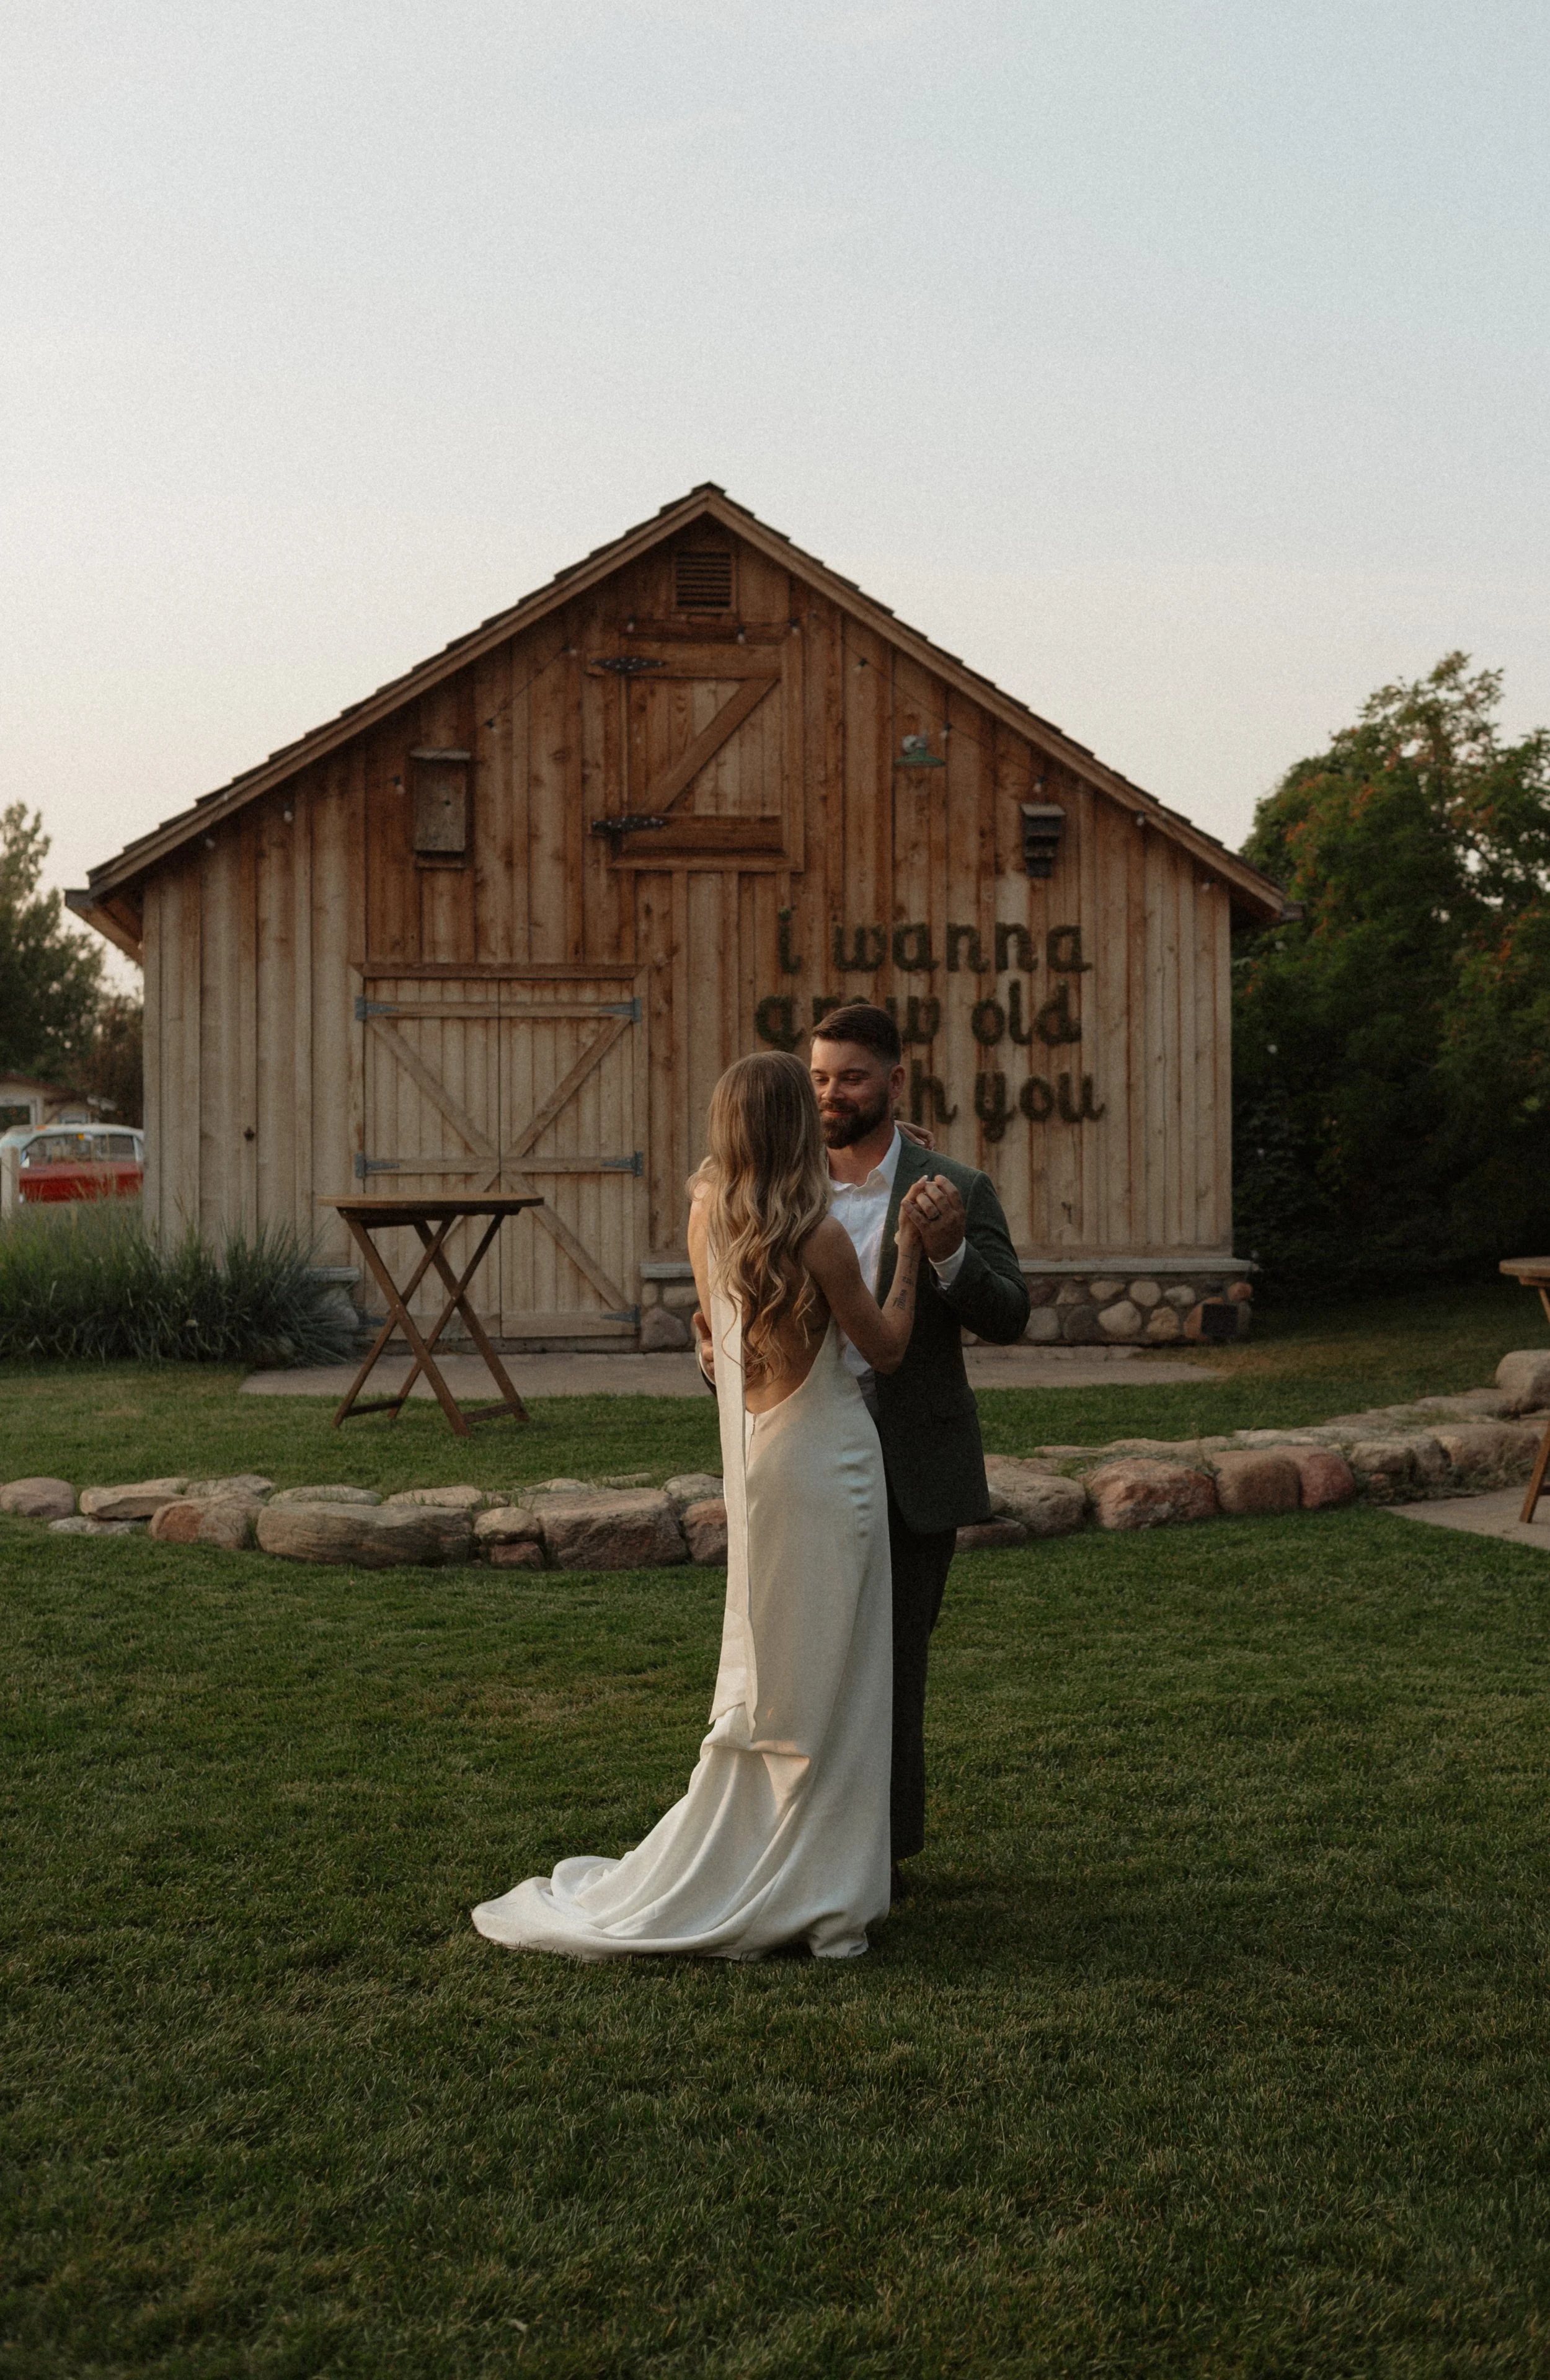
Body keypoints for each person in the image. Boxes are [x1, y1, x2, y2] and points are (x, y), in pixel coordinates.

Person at [472, 1050, 924, 1962]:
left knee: (781, 1664)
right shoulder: (824, 1239)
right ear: (800, 1123)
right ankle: (822, 1888)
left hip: (760, 1458)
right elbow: (887, 1348)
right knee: (838, 1672)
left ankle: (788, 1862)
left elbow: (718, 1340)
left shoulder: (707, 1215)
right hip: (829, 1458)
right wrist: (911, 1251)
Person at [805, 1002, 1030, 1884]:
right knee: (808, 1659)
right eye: (820, 1077)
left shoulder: (956, 1187)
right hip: (806, 1455)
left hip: (909, 1466)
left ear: (896, 1080)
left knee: (894, 1669)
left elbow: (1010, 1313)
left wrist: (948, 1260)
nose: (833, 1095)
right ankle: (804, 1845)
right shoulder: (788, 1184)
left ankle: (878, 1861)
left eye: (852, 1076)